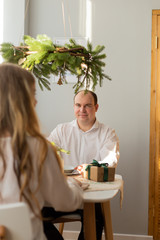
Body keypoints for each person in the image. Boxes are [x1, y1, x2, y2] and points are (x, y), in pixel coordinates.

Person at [0, 63, 83, 240]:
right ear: (20, 100)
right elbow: (65, 201)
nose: (36, 101)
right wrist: (75, 185)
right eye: (33, 94)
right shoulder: (38, 147)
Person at [46, 90, 120, 240]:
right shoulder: (61, 130)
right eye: (78, 105)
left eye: (87, 105)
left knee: (95, 219)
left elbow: (110, 161)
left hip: (91, 194)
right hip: (64, 192)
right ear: (74, 107)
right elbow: (45, 154)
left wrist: (88, 168)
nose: (82, 110)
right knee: (33, 212)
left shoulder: (107, 132)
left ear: (96, 107)